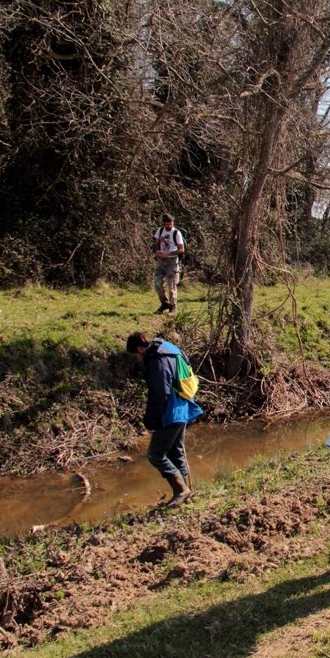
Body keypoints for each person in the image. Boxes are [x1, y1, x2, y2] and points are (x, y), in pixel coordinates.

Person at [126, 331, 203, 507]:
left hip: (171, 412)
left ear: (139, 349)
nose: (138, 359)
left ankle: (180, 490)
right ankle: (187, 492)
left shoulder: (156, 360)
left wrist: (151, 419)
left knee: (155, 454)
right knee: (176, 451)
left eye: (136, 355)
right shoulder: (169, 348)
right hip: (184, 405)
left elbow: (159, 393)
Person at [153, 213, 184, 314]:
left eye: (171, 223)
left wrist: (169, 253)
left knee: (172, 287)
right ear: (164, 223)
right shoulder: (160, 230)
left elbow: (181, 249)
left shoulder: (176, 233)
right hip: (161, 261)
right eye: (167, 224)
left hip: (172, 261)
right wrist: (157, 251)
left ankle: (173, 307)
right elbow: (156, 243)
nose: (169, 226)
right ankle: (165, 303)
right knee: (157, 283)